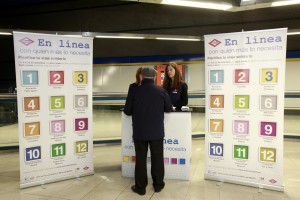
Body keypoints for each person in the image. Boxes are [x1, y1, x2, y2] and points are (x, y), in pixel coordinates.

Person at [124, 67, 173, 195]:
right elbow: (168, 108)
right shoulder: (161, 91)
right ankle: (158, 185)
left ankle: (140, 188)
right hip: (156, 132)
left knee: (140, 160)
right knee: (157, 159)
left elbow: (127, 111)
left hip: (140, 132)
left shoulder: (134, 90)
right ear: (155, 77)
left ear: (141, 76)